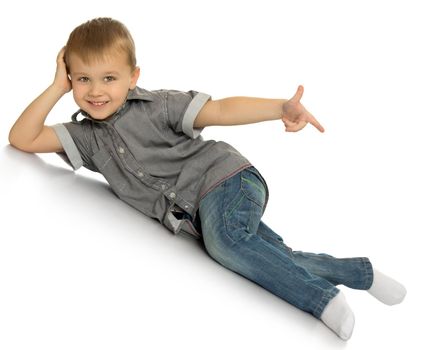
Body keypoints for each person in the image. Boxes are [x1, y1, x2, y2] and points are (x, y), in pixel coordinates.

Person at [8, 17, 406, 340]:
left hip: (226, 180)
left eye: (109, 78)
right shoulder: (86, 138)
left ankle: (321, 300)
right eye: (82, 79)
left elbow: (220, 111)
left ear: (133, 77)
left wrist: (279, 107)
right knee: (266, 257)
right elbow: (21, 138)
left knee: (227, 243)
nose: (95, 91)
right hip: (197, 213)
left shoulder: (158, 105)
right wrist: (55, 87)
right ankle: (360, 273)